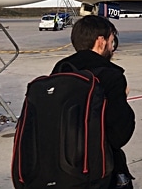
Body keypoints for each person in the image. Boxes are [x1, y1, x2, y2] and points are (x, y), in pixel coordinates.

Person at [52, 16, 135, 189]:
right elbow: (119, 136)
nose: (113, 48)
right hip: (95, 174)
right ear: (101, 42)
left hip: (58, 171)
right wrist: (123, 99)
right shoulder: (110, 76)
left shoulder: (60, 72)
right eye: (112, 42)